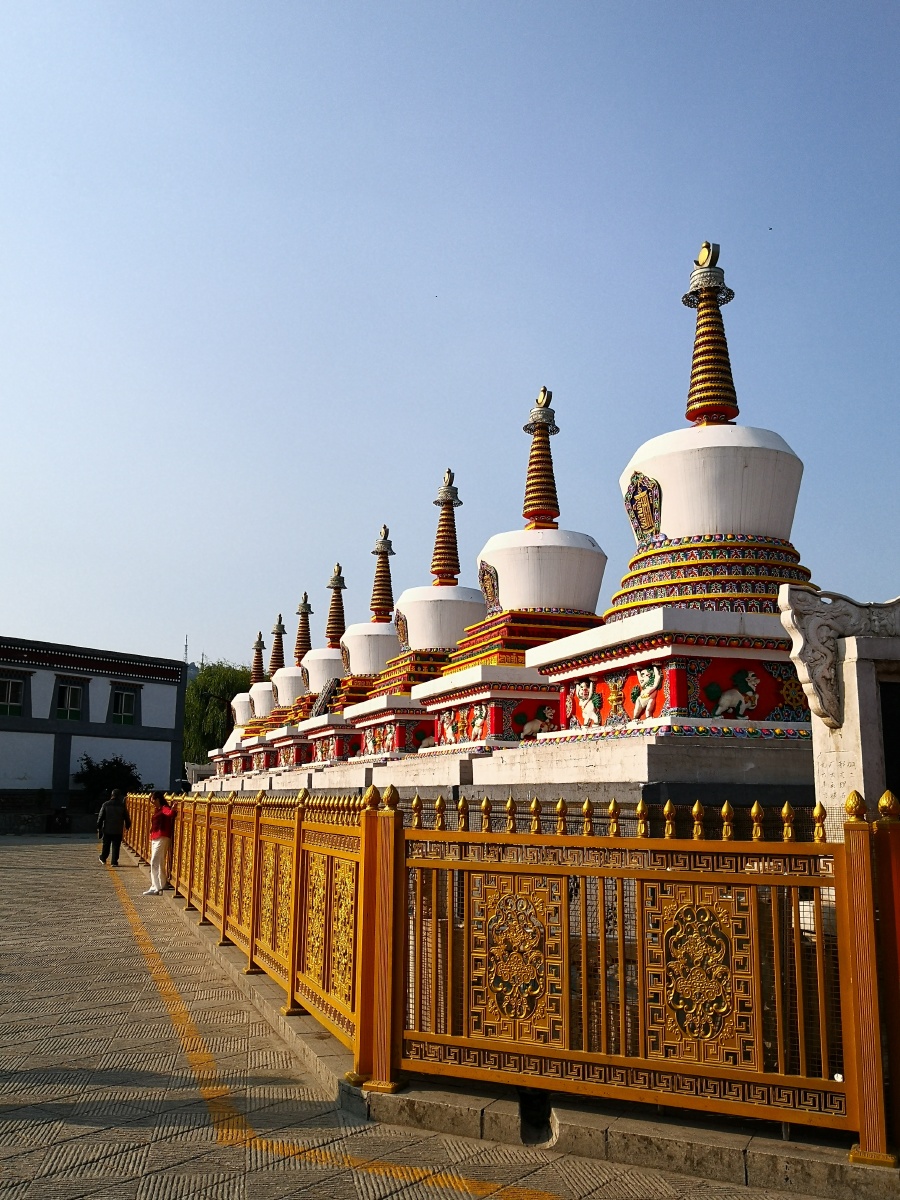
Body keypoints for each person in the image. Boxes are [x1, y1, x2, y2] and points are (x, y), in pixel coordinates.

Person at [144, 791, 174, 896]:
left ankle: (155, 887)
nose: (152, 802)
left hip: (162, 836)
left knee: (155, 861)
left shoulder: (164, 808)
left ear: (157, 799)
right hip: (156, 837)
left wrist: (173, 809)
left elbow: (170, 813)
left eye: (152, 800)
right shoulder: (158, 809)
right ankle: (162, 883)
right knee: (159, 861)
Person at [97, 789, 131, 866]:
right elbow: (126, 817)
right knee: (116, 846)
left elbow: (101, 817)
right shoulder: (122, 806)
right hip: (118, 829)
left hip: (107, 829)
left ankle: (103, 858)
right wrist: (128, 825)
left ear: (111, 795)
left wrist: (99, 827)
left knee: (106, 845)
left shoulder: (106, 804)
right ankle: (114, 861)